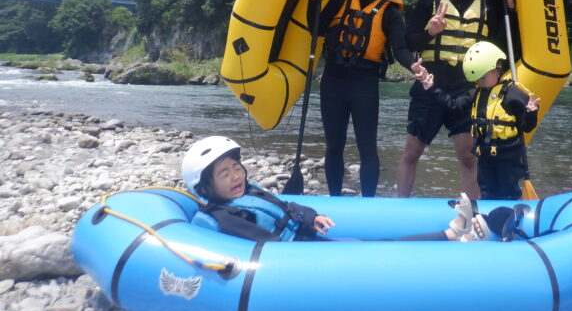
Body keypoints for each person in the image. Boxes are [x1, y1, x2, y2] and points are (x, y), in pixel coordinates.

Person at [181, 136, 491, 242]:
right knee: (381, 247)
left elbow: (286, 208)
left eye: (236, 167)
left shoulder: (249, 191)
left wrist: (310, 216)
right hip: (297, 256)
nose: (236, 175)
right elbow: (265, 243)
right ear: (206, 188)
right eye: (224, 173)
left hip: (306, 237)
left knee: (378, 240)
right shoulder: (222, 216)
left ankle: (453, 233)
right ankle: (452, 235)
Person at [397, 0, 517, 198]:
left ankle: (473, 212)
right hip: (431, 83)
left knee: (469, 157)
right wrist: (430, 32)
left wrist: (511, 7)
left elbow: (500, 41)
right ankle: (400, 207)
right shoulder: (427, 0)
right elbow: (409, 41)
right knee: (411, 153)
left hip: (467, 87)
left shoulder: (487, 2)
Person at [308, 0, 414, 197]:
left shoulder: (390, 12)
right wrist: (314, 0)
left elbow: (400, 48)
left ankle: (368, 203)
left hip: (364, 84)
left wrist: (414, 66)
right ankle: (335, 198)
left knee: (367, 148)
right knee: (334, 145)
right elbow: (318, 28)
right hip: (333, 81)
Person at [416, 41, 540, 200]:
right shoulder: (476, 94)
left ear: (496, 69)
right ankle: (485, 219)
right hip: (484, 156)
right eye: (477, 79)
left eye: (483, 77)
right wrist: (432, 88)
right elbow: (453, 105)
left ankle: (508, 219)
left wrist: (530, 112)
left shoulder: (514, 94)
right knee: (487, 191)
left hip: (508, 158)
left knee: (507, 192)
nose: (480, 82)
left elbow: (527, 127)